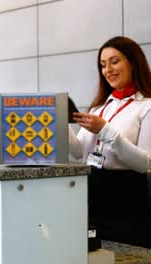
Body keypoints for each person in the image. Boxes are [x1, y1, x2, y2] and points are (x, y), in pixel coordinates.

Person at [69, 36, 151, 247]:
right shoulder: (100, 107)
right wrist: (59, 123)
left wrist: (105, 130)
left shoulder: (146, 106)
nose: (108, 70)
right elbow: (79, 153)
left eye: (114, 62)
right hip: (92, 190)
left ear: (133, 62)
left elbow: (144, 164)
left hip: (127, 196)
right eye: (103, 65)